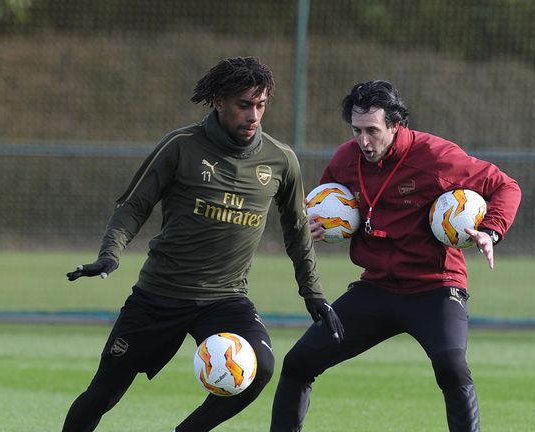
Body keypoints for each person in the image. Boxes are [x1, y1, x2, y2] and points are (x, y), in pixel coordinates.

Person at [62, 56, 343, 432]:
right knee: (103, 394)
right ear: (219, 101)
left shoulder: (281, 160)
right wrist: (109, 255)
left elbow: (296, 229)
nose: (254, 115)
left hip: (225, 299)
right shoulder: (180, 146)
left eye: (261, 105)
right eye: (244, 105)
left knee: (258, 369)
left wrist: (314, 294)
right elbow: (133, 206)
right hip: (159, 296)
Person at [270, 80, 521, 431]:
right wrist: (316, 228)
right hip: (376, 288)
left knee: (452, 366)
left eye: (372, 130)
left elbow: (506, 186)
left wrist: (491, 231)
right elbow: (328, 206)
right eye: (357, 131)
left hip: (435, 287)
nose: (364, 141)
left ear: (395, 124)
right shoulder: (346, 159)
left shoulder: (435, 156)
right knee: (298, 362)